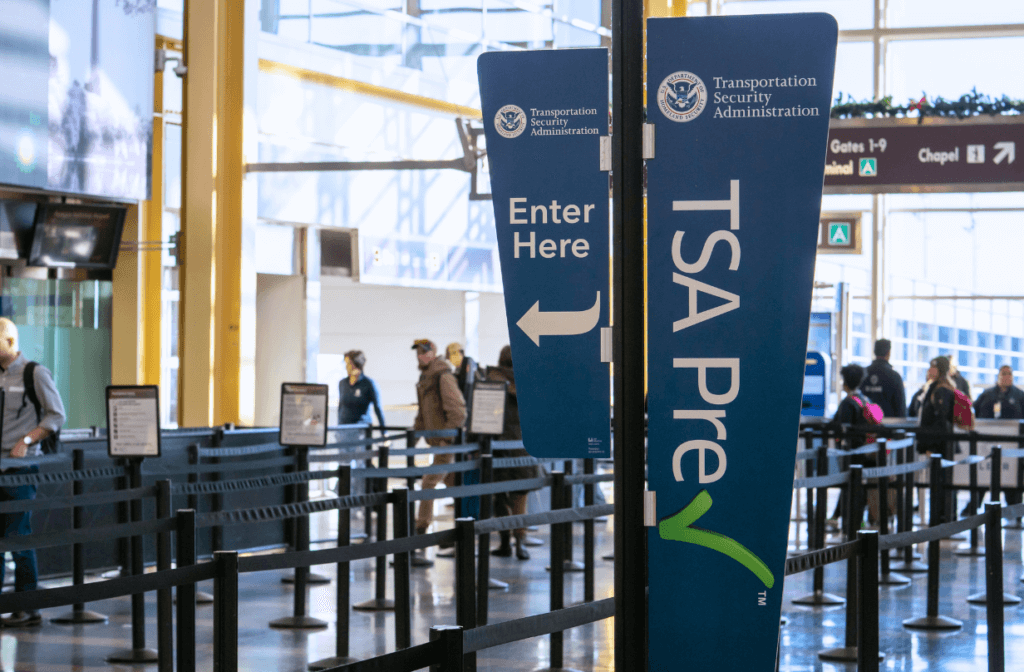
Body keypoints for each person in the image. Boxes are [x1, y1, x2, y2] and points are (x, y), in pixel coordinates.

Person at [0, 318, 66, 627]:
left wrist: (26, 440)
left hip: (20, 470)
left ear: (10, 343)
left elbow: (56, 415)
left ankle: (28, 607)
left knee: (18, 535)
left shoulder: (34, 373)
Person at [412, 339, 467, 544]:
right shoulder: (426, 378)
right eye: (418, 352)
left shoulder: (443, 376)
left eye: (423, 352)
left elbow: (458, 410)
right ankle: (466, 526)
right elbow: (422, 413)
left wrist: (446, 438)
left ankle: (420, 528)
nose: (420, 356)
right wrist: (414, 437)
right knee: (452, 483)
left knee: (429, 482)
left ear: (433, 353)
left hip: (446, 442)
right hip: (436, 442)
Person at [487, 345, 538, 560]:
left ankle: (505, 541)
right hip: (523, 450)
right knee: (520, 500)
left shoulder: (491, 381)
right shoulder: (529, 384)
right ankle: (520, 543)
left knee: (500, 499)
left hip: (498, 448)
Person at [337, 350, 386, 429]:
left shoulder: (369, 384)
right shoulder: (342, 383)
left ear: (357, 365)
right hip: (344, 430)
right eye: (346, 364)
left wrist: (384, 432)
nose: (346, 367)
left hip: (361, 430)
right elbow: (340, 407)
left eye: (349, 364)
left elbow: (378, 408)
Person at [860, 339, 906, 418]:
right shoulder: (894, 376)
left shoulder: (862, 374)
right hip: (887, 426)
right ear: (889, 353)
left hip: (864, 426)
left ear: (874, 352)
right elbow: (900, 408)